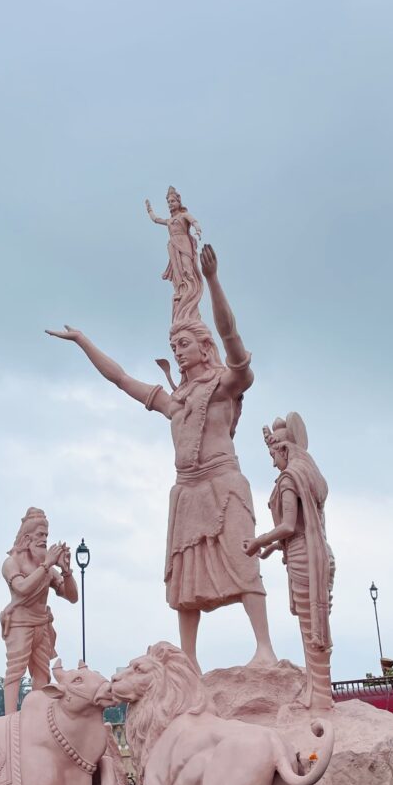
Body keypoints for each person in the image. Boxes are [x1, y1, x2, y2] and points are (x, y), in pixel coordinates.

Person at [46, 245, 277, 672]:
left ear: (204, 347)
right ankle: (189, 660)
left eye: (184, 343)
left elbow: (233, 342)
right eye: (173, 345)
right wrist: (83, 342)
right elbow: (120, 379)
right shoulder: (176, 401)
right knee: (185, 582)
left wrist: (213, 281)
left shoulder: (225, 386)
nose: (177, 351)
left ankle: (264, 648)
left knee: (243, 561)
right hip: (187, 492)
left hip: (223, 484)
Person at [243, 414, 335, 710]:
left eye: (273, 455)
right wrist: (272, 549)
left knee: (311, 628)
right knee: (317, 626)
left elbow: (288, 526)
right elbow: (300, 525)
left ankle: (320, 695)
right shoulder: (310, 476)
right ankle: (318, 690)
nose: (273, 463)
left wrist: (259, 541)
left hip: (303, 556)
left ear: (284, 449)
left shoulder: (288, 479)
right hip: (318, 552)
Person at [0, 508, 78, 714]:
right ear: (27, 539)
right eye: (40, 535)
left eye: (46, 535)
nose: (44, 539)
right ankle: (10, 718)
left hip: (42, 623)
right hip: (19, 623)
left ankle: (39, 715)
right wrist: (47, 564)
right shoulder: (11, 563)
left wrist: (66, 571)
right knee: (15, 672)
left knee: (42, 673)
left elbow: (72, 597)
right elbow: (22, 588)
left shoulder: (47, 568)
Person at [145, 187, 204, 323]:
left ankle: (190, 293)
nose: (170, 204)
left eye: (172, 201)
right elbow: (156, 219)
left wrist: (198, 230)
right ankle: (181, 291)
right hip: (173, 246)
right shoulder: (169, 220)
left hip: (184, 243)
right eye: (168, 202)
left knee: (187, 269)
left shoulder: (183, 215)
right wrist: (149, 210)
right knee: (178, 273)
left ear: (178, 202)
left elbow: (194, 221)